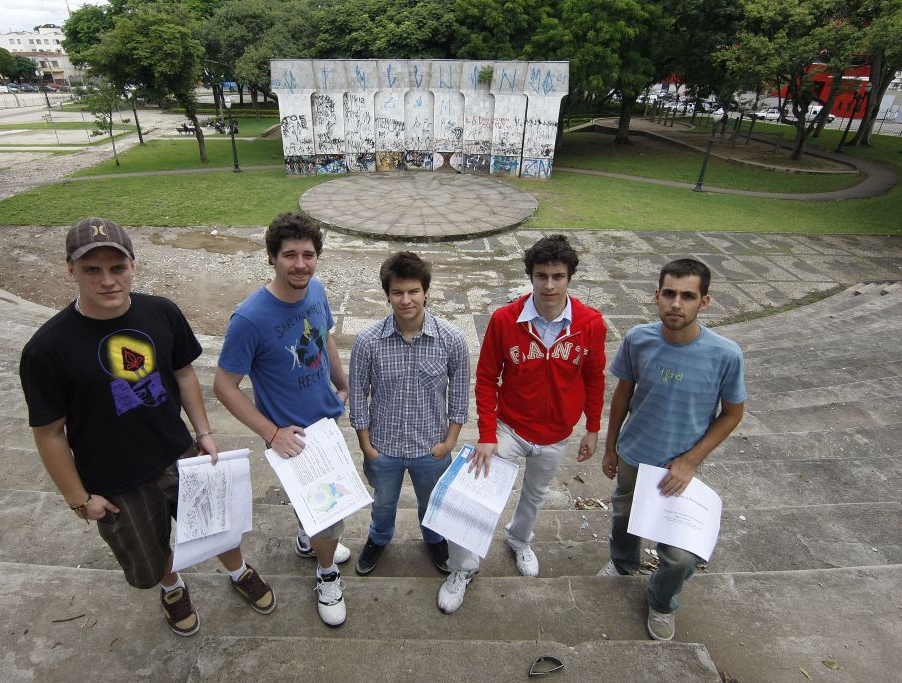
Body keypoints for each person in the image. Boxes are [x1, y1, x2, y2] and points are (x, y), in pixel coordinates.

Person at [19, 217, 274, 638]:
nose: (107, 281)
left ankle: (239, 571)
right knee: (150, 552)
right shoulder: (47, 349)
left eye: (117, 268)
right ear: (70, 270)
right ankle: (172, 588)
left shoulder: (161, 312)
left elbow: (184, 373)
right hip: (116, 482)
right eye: (91, 270)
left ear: (133, 266)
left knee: (217, 525)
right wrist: (79, 498)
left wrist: (204, 433)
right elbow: (49, 433)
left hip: (178, 454)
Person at [439, 234, 607, 613]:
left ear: (570, 277)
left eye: (558, 276)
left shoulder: (591, 324)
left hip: (559, 433)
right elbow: (485, 378)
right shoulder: (504, 319)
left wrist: (593, 427)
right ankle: (462, 568)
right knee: (470, 494)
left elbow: (594, 377)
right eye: (541, 275)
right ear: (530, 275)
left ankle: (519, 539)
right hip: (509, 428)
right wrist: (486, 433)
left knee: (535, 493)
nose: (549, 285)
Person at [214, 212, 352, 627]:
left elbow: (324, 334)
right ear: (272, 257)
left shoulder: (317, 290)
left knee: (319, 510)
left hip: (326, 421)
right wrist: (271, 433)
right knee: (331, 514)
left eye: (308, 254)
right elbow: (224, 386)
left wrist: (341, 383)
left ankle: (310, 539)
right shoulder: (250, 318)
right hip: (291, 435)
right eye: (289, 254)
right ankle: (326, 573)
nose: (300, 264)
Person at [598, 258, 746, 641]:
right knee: (624, 516)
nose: (676, 304)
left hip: (680, 467)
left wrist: (690, 461)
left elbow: (732, 414)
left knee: (680, 557)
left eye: (687, 296)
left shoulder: (725, 354)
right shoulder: (638, 339)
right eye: (669, 294)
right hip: (634, 453)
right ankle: (622, 563)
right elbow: (622, 393)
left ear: (705, 302)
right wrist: (611, 446)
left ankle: (662, 602)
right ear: (656, 296)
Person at [348, 251, 470, 576]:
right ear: (387, 294)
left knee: (432, 504)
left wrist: (448, 444)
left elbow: (459, 398)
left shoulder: (452, 340)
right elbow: (358, 395)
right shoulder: (367, 342)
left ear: (426, 291)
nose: (406, 300)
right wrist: (365, 444)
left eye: (413, 291)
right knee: (383, 504)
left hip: (431, 447)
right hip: (382, 447)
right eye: (397, 292)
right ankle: (378, 539)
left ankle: (434, 539)